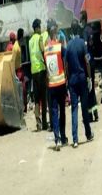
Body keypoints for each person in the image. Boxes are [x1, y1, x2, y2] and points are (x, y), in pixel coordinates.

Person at [65, 19, 94, 148]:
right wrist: (89, 77)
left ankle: (75, 139)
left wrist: (66, 79)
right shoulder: (83, 43)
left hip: (72, 81)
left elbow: (66, 65)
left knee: (74, 109)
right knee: (84, 107)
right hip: (82, 78)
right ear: (78, 30)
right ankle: (88, 134)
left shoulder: (68, 46)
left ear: (71, 31)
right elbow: (87, 61)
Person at [43, 19, 68, 151]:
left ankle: (57, 138)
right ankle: (63, 137)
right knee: (62, 111)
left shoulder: (46, 50)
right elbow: (66, 60)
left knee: (54, 111)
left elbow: (46, 69)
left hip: (51, 85)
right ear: (55, 34)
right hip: (61, 83)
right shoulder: (59, 47)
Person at [29, 19, 48, 131]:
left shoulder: (30, 40)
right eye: (40, 26)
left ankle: (38, 122)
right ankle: (45, 123)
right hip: (41, 70)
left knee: (36, 99)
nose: (41, 29)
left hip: (33, 72)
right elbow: (42, 52)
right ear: (37, 28)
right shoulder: (39, 38)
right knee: (44, 97)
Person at [80, 10, 99, 122]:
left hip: (88, 64)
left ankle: (90, 115)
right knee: (92, 90)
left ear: (83, 19)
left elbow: (86, 50)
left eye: (80, 18)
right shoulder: (90, 29)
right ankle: (95, 113)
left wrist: (85, 63)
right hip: (92, 62)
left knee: (88, 89)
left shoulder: (85, 32)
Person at [12, 28, 27, 113]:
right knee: (21, 91)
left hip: (20, 70)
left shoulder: (18, 46)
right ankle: (21, 109)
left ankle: (24, 109)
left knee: (23, 91)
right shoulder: (16, 47)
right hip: (17, 71)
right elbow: (13, 60)